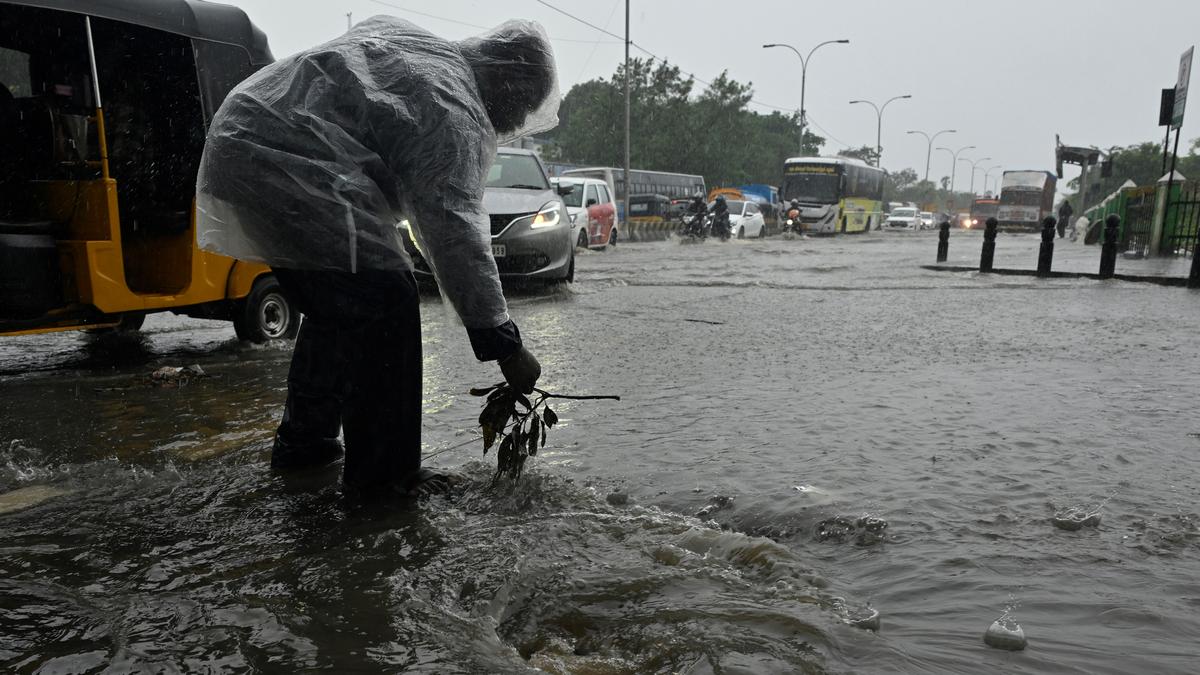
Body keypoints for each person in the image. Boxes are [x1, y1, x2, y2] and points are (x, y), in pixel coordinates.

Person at [195, 17, 559, 498]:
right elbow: (453, 230)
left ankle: (305, 448)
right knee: (386, 297)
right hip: (279, 156)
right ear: (509, 83)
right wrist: (504, 345)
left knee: (342, 307)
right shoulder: (452, 105)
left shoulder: (424, 52)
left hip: (244, 135)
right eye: (520, 108)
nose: (512, 123)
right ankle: (385, 477)